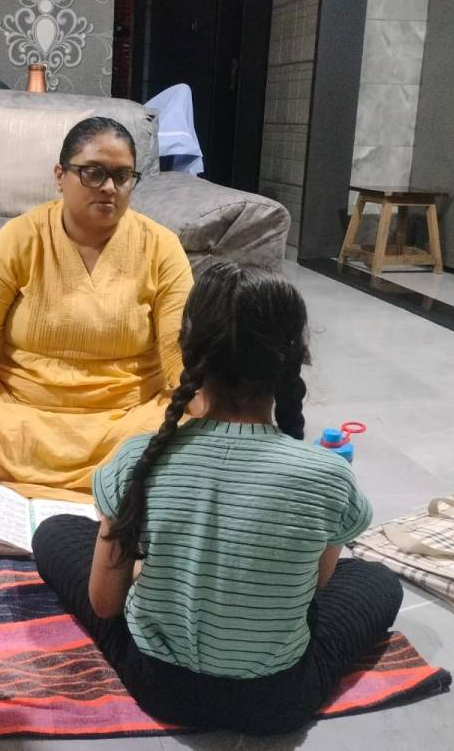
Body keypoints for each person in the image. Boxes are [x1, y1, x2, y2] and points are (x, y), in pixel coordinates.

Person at [31, 263, 403, 734]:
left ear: (187, 352)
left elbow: (105, 604)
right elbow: (314, 587)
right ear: (293, 359)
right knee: (377, 580)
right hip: (278, 699)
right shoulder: (328, 475)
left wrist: (150, 569)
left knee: (55, 532)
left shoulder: (137, 459)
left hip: (161, 688)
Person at [0, 116, 194, 500]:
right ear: (60, 176)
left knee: (187, 438)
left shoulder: (161, 247)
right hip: (19, 410)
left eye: (122, 176)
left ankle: (12, 491)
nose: (108, 187)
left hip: (122, 415)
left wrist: (211, 413)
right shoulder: (20, 237)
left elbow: (179, 350)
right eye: (93, 173)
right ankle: (106, 492)